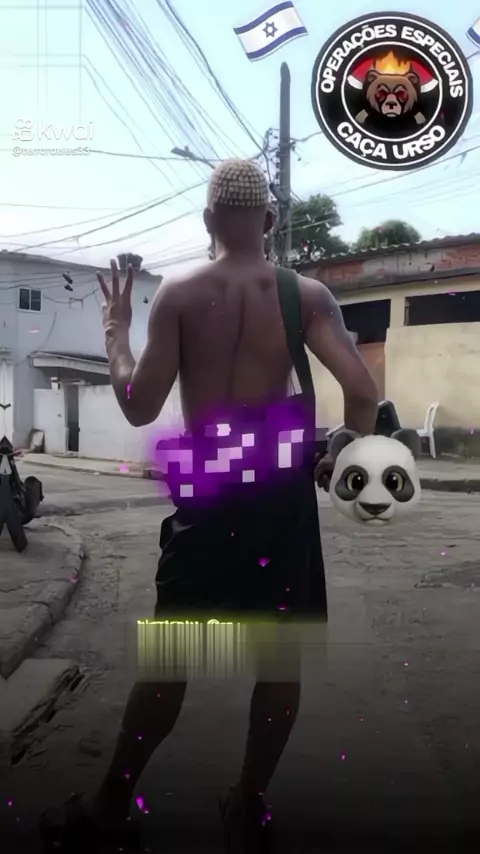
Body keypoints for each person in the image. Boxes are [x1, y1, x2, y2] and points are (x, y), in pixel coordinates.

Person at [41, 159, 378, 852]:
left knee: (173, 656)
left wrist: (115, 333)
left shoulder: (180, 294)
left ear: (206, 221)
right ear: (270, 221)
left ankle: (110, 810)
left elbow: (138, 405)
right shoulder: (307, 296)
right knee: (278, 659)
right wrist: (343, 451)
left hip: (209, 489)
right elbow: (364, 392)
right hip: (280, 494)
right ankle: (247, 807)